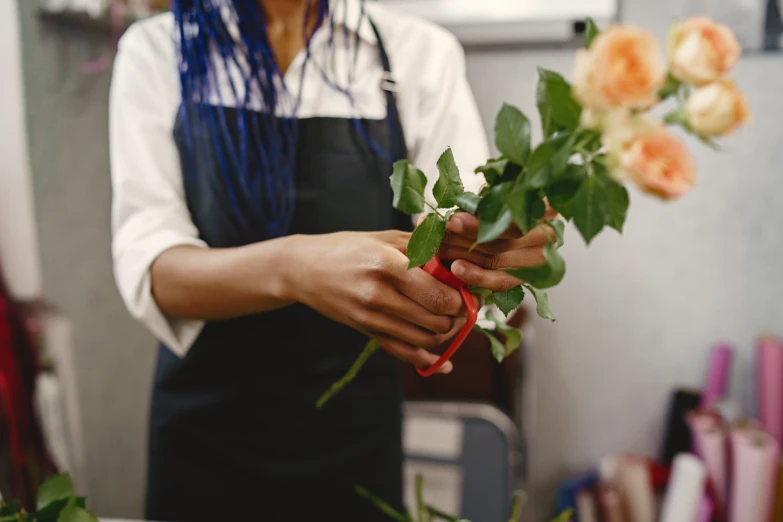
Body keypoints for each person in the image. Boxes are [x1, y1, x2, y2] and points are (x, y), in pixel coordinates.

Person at [109, 0, 552, 519]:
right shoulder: (158, 51)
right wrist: (294, 268)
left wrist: (498, 248)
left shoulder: (418, 55)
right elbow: (155, 271)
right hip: (203, 442)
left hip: (356, 441)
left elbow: (465, 236)